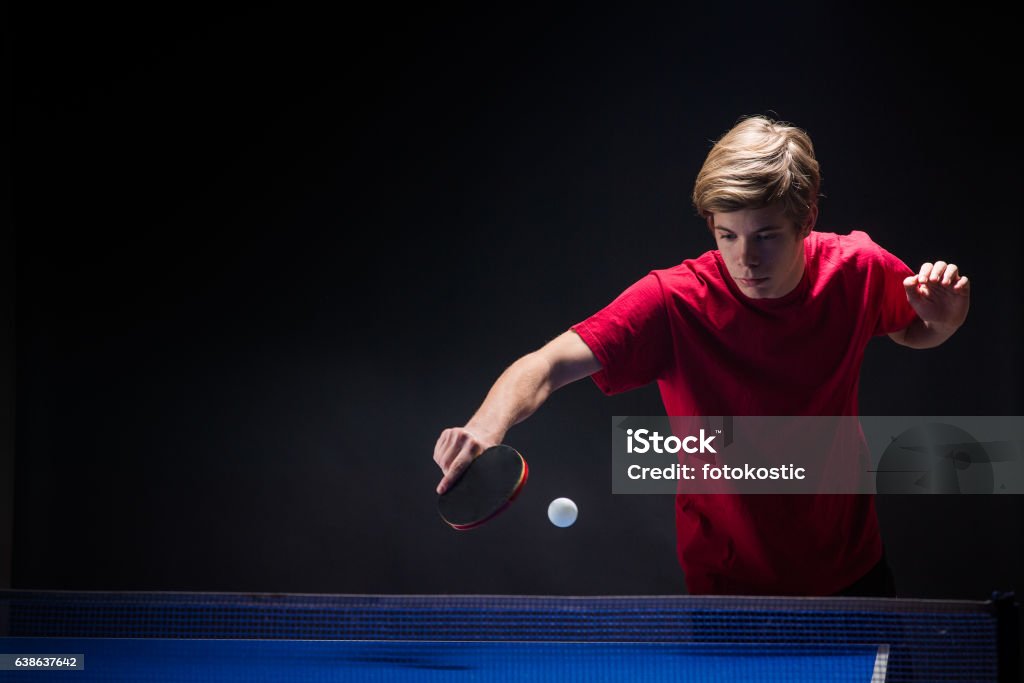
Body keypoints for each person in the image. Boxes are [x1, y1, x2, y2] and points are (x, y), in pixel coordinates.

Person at [431, 115, 970, 596]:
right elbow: (546, 364)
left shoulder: (856, 269)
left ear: (806, 218)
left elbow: (913, 330)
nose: (745, 258)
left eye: (765, 236)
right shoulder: (673, 300)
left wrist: (946, 319)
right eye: (727, 234)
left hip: (853, 574)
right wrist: (485, 425)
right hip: (728, 588)